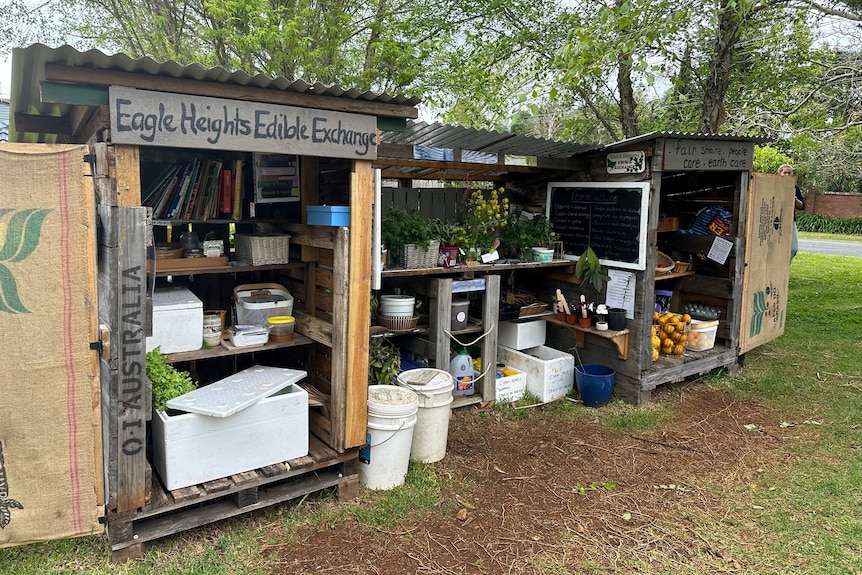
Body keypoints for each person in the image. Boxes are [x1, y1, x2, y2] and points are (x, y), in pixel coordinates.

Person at [779, 164, 806, 260]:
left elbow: (802, 206)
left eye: (789, 173)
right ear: (780, 173)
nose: (787, 175)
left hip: (790, 222)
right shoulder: (774, 185)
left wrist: (794, 198)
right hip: (776, 221)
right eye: (785, 172)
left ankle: (785, 268)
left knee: (793, 249)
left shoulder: (795, 188)